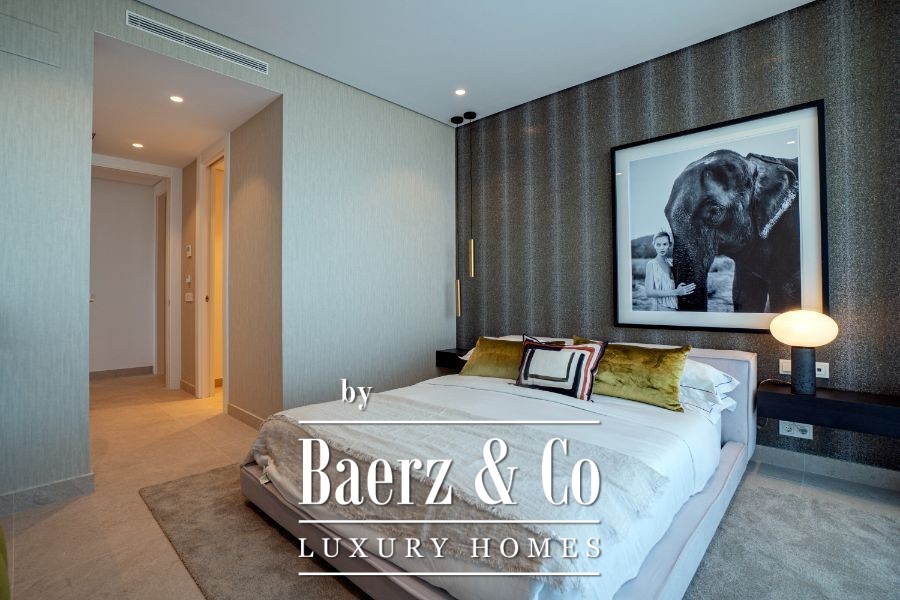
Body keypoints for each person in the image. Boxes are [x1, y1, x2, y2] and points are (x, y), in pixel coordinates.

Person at [644, 231, 696, 310]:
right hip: (660, 309)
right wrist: (676, 292)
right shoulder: (651, 264)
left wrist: (679, 288)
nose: (662, 248)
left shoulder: (670, 263)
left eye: (665, 244)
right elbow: (649, 292)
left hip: (674, 307)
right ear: (654, 245)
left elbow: (671, 287)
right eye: (658, 244)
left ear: (669, 245)